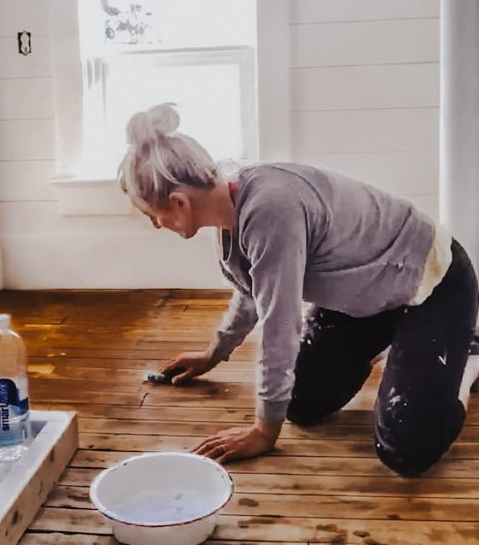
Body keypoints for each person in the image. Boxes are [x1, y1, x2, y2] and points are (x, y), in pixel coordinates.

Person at [118, 103, 479, 476]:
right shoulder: (231, 214)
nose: (157, 226)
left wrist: (263, 432)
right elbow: (252, 290)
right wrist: (214, 353)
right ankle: (392, 346)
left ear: (178, 203)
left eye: (151, 215)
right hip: (367, 296)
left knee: (407, 447)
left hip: (431, 283)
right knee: (301, 403)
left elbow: (280, 326)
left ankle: (467, 357)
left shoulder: (271, 207)